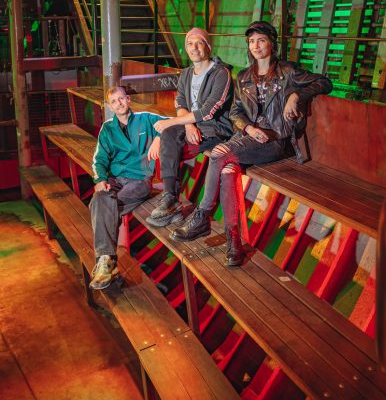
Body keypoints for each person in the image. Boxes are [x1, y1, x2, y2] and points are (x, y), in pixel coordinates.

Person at [170, 20, 333, 267]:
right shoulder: (244, 76)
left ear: (272, 44)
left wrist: (296, 95)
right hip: (248, 137)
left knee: (218, 153)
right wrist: (249, 128)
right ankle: (233, 243)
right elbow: (235, 112)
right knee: (227, 170)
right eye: (252, 41)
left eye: (261, 40)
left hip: (274, 139)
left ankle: (202, 216)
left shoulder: (288, 71)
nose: (256, 46)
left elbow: (324, 82)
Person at [146, 27, 233, 228]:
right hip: (193, 125)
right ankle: (171, 197)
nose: (194, 47)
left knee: (168, 137)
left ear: (208, 46)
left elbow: (209, 111)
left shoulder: (221, 73)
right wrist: (188, 125)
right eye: (189, 43)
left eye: (199, 42)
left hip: (215, 129)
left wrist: (170, 123)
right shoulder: (186, 73)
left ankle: (175, 206)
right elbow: (181, 102)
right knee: (168, 135)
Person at [89, 86, 164, 290]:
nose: (119, 103)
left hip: (139, 180)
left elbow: (171, 123)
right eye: (114, 101)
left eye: (121, 99)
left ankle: (106, 262)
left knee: (100, 207)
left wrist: (159, 137)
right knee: (99, 198)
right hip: (115, 179)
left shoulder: (145, 119)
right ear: (110, 106)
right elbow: (99, 159)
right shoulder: (107, 129)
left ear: (128, 99)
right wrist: (100, 179)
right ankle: (107, 260)